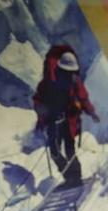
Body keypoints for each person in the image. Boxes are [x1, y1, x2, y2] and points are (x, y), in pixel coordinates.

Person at [32, 45, 98, 187]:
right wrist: (42, 114)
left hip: (67, 119)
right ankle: (71, 177)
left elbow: (82, 97)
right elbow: (38, 100)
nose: (70, 75)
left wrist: (90, 111)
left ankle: (74, 177)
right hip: (54, 120)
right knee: (57, 151)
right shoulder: (49, 82)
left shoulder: (71, 81)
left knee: (67, 150)